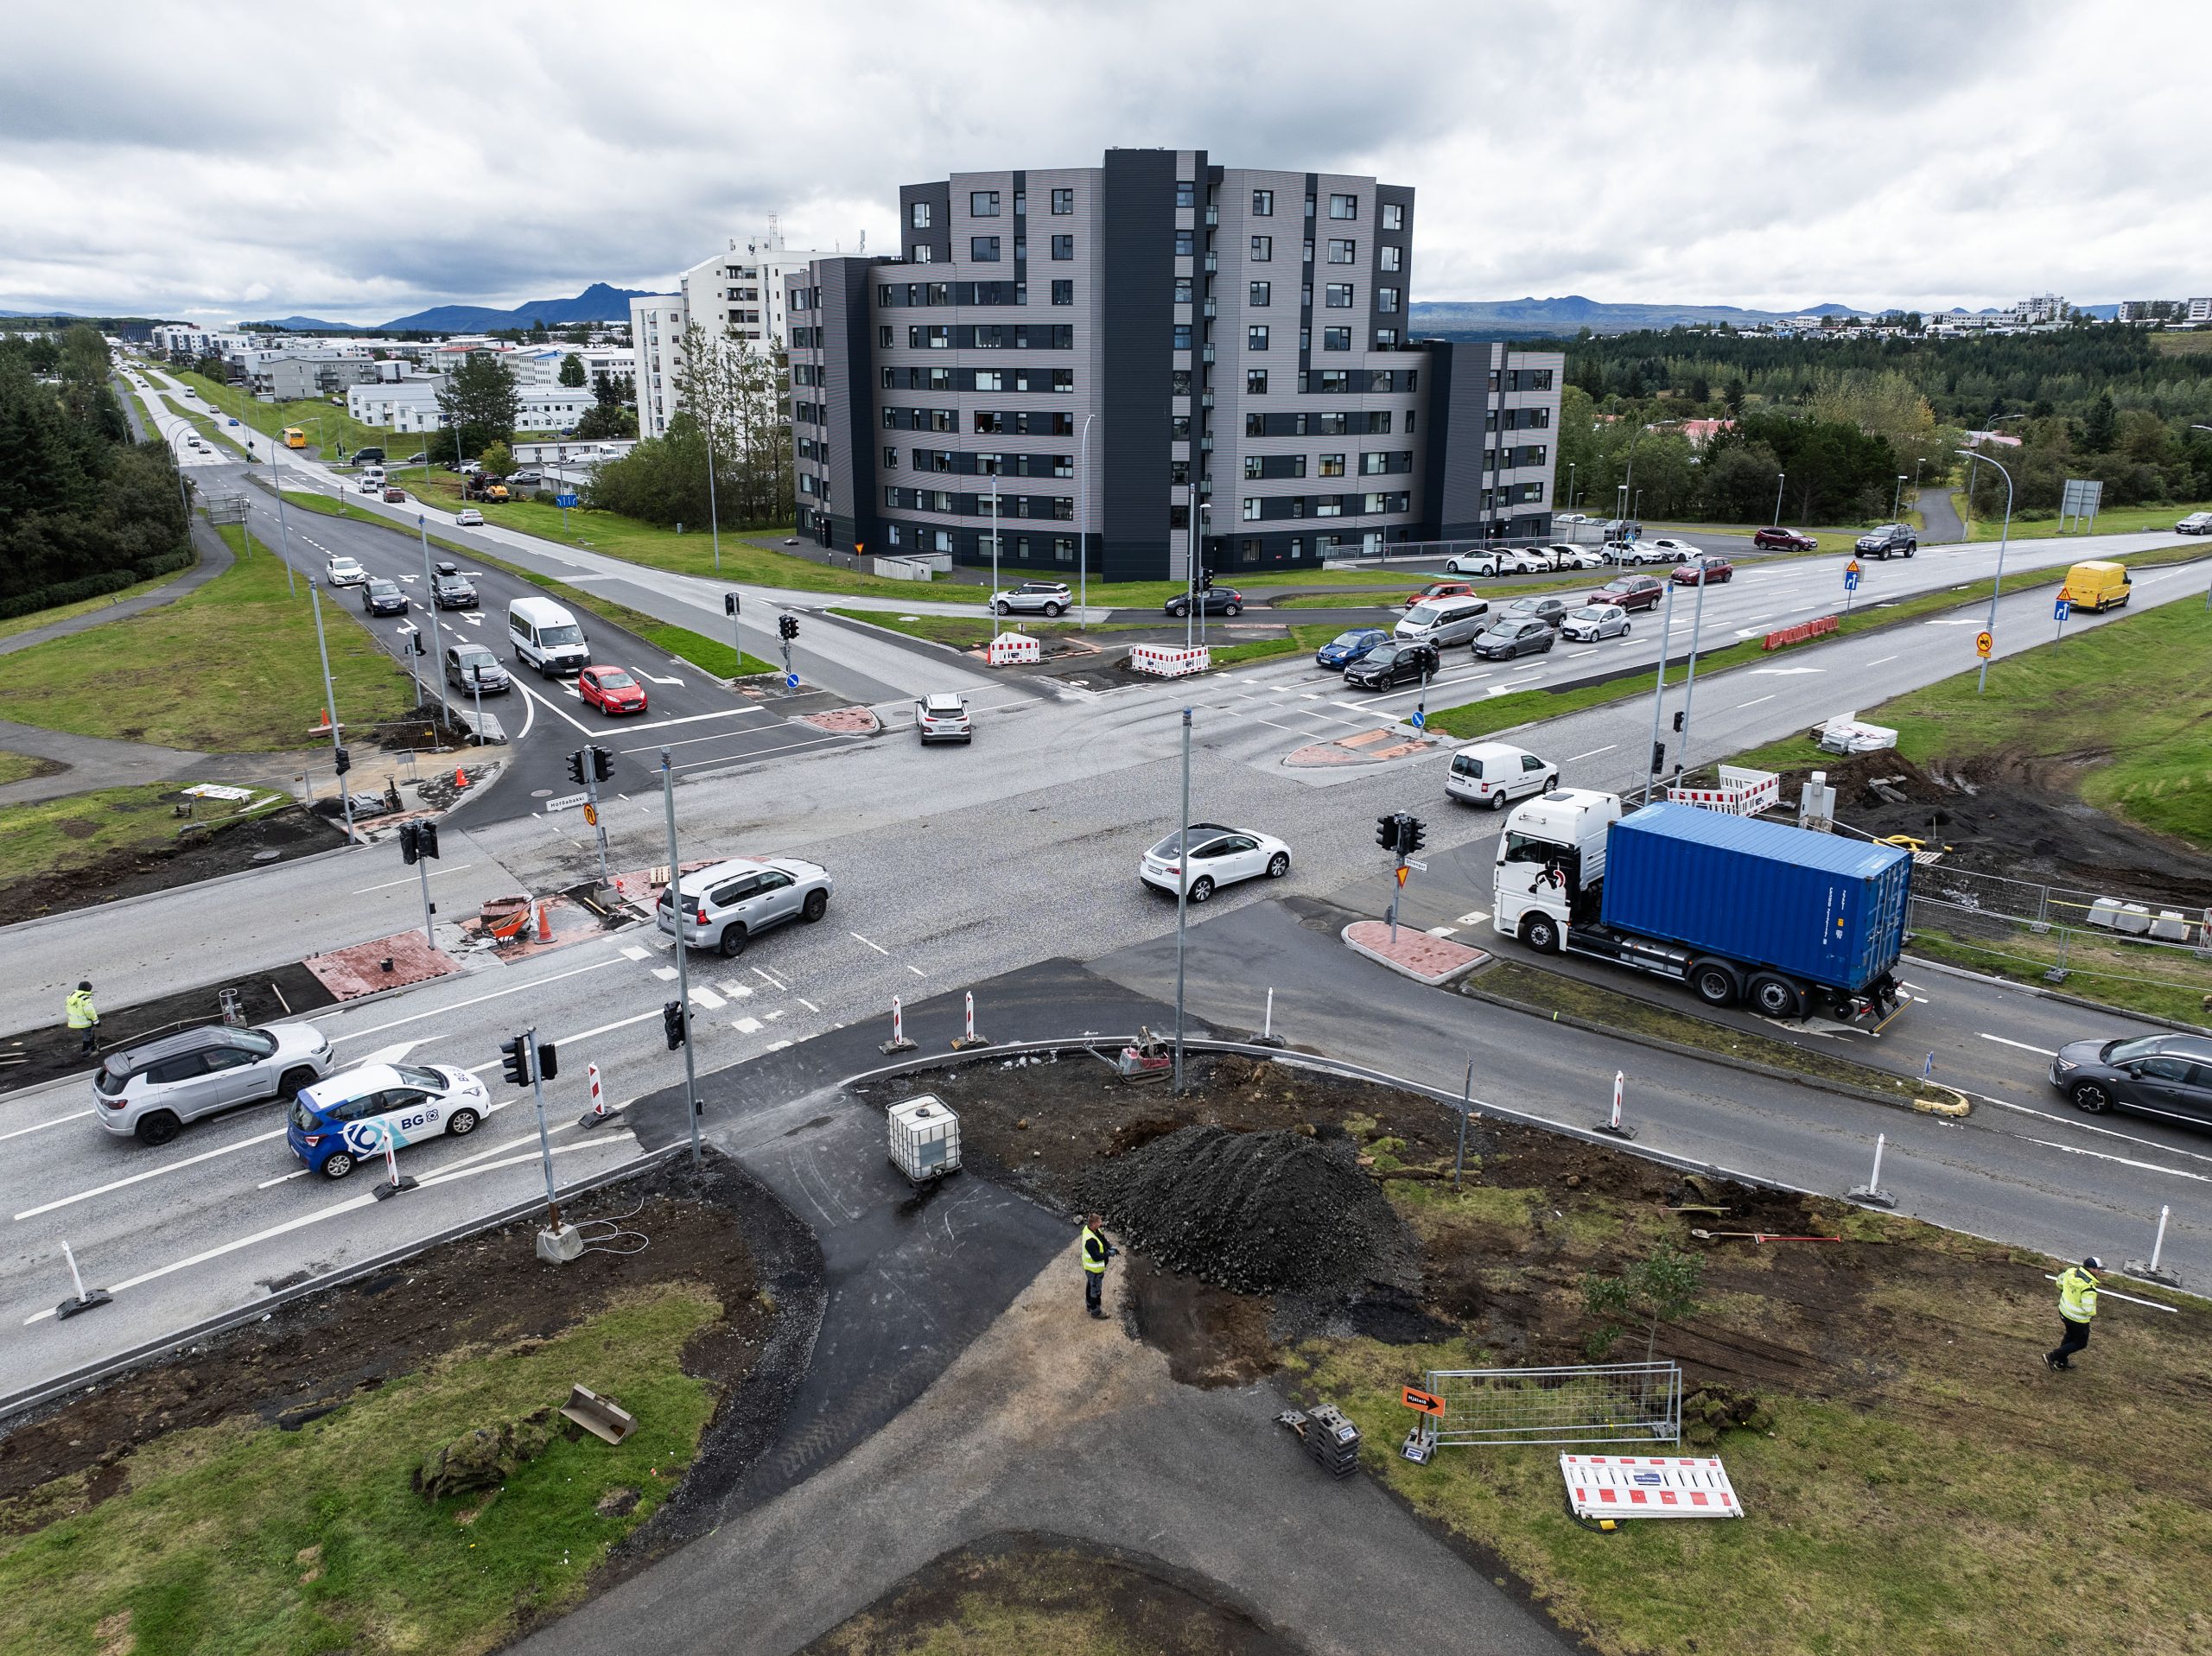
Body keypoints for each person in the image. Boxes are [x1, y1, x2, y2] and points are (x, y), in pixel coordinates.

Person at [2045, 1256, 2101, 1370]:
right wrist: (2092, 1315)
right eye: (2098, 1269)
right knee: (2080, 1343)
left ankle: (2061, 1363)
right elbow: (2088, 1309)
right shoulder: (2088, 1287)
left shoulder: (2071, 1272)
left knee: (2070, 1337)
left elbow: (2059, 1282)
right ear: (2091, 1269)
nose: (2100, 1271)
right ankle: (2051, 1356)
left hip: (2064, 1312)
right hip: (2078, 1320)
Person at [1079, 1213, 1117, 1319]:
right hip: (1094, 1269)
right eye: (1099, 1222)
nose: (1101, 1223)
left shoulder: (1093, 1230)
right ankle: (1095, 1311)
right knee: (1096, 1290)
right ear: (1094, 1224)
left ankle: (1089, 1304)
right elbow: (1096, 1257)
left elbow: (1103, 1240)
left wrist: (1110, 1247)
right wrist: (1109, 1253)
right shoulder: (1090, 1240)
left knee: (1091, 1285)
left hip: (1092, 1269)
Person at [65, 980, 99, 1056]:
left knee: (89, 1033)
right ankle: (86, 1052)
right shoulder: (85, 999)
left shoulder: (71, 997)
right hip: (84, 1021)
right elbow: (90, 1012)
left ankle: (93, 1047)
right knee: (87, 1036)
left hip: (75, 1021)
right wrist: (96, 1021)